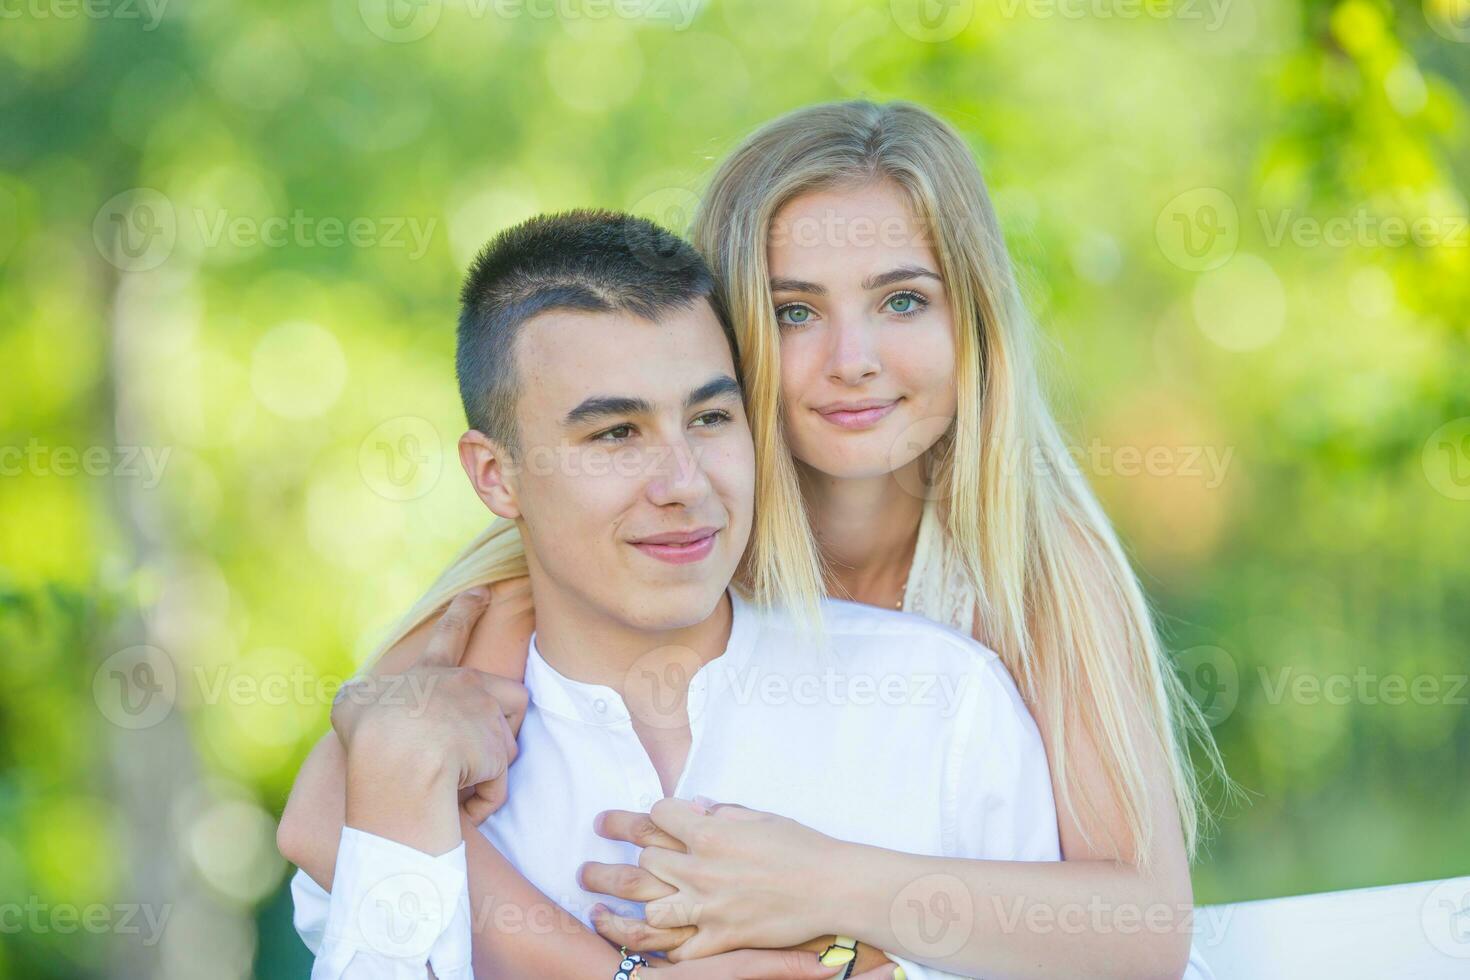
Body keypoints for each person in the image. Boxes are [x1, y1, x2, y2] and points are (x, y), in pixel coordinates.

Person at [283, 100, 1225, 979]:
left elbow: (1144, 925)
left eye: (902, 300)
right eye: (794, 312)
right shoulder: (626, 547)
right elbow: (342, 809)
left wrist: (824, 887)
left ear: (970, 318)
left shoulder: (1029, 558)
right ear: (731, 335)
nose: (853, 359)